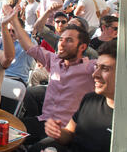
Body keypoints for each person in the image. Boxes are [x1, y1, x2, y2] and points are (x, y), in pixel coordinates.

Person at [0, 40, 117, 152]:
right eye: (97, 67)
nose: (95, 74)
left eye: (105, 69)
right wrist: (58, 132)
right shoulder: (90, 99)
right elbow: (69, 134)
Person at [11, 16, 96, 145]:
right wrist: (14, 20)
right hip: (44, 121)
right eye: (61, 39)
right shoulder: (54, 60)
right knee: (6, 130)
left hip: (65, 133)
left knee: (33, 149)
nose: (61, 43)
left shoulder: (91, 68)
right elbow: (28, 45)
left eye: (69, 40)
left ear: (82, 47)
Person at [33, 1, 98, 59]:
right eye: (68, 25)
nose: (68, 28)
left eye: (72, 26)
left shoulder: (90, 54)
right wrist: (48, 11)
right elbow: (39, 27)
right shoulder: (58, 42)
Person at [0, 18, 36, 87]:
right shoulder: (3, 40)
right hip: (2, 78)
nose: (11, 33)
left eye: (14, 31)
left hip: (18, 80)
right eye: (8, 31)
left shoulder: (29, 42)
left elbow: (31, 42)